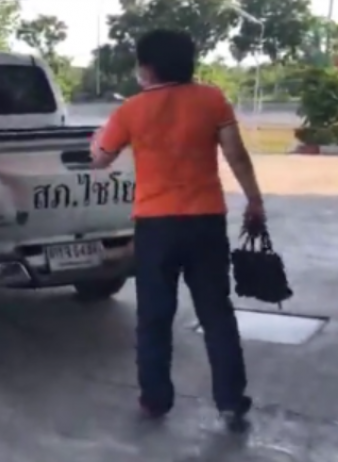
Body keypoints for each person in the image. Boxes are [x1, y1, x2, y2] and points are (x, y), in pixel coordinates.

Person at [90, 29, 263, 430]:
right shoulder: (212, 99)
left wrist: (96, 140)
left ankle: (155, 399)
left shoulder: (131, 110)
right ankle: (230, 401)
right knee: (216, 314)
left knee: (154, 316)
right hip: (206, 222)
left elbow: (100, 158)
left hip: (156, 227)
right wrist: (254, 199)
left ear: (147, 67)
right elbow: (236, 154)